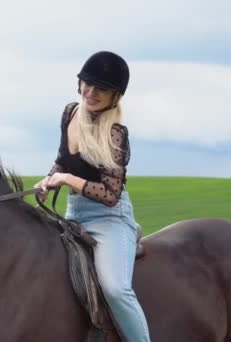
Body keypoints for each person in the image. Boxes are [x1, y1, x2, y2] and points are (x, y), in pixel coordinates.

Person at [34, 51, 151, 341]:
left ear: (115, 96)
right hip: (75, 215)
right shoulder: (70, 113)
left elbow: (111, 194)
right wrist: (49, 180)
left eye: (101, 88)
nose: (91, 92)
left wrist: (66, 179)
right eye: (87, 83)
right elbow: (63, 160)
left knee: (115, 288)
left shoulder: (114, 133)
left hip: (109, 218)